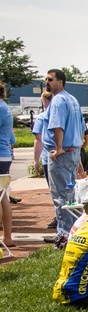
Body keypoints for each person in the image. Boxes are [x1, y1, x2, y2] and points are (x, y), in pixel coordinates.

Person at [44, 69, 86, 248]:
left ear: (60, 81)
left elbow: (57, 126)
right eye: (46, 79)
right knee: (71, 197)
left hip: (63, 153)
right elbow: (82, 129)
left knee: (62, 197)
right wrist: (78, 158)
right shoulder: (72, 99)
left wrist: (59, 148)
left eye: (50, 79)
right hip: (73, 151)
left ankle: (64, 237)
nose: (47, 82)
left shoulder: (59, 100)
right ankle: (74, 233)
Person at [32, 91, 56, 229]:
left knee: (55, 191)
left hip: (49, 159)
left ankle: (60, 219)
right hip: (65, 155)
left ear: (44, 101)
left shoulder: (42, 117)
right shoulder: (63, 115)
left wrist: (35, 160)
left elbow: (38, 140)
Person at [0, 82, 15, 247]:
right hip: (4, 155)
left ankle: (6, 237)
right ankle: (7, 237)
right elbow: (12, 138)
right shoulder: (5, 107)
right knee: (3, 196)